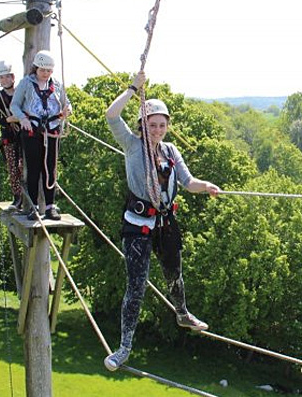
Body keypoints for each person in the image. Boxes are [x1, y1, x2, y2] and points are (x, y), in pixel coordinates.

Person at [103, 71, 220, 371]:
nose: (157, 130)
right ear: (143, 125)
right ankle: (125, 346)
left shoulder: (170, 151)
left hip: (165, 222)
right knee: (137, 286)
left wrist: (205, 186)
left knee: (174, 276)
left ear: (167, 127)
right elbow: (111, 115)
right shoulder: (132, 145)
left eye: (161, 125)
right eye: (152, 125)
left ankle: (182, 313)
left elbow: (188, 181)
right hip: (138, 224)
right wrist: (133, 89)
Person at [10, 50, 71, 220]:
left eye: (49, 71)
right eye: (43, 70)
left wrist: (67, 111)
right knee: (34, 169)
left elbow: (67, 103)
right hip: (32, 131)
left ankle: (50, 206)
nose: (45, 74)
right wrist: (22, 118)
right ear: (36, 68)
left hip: (52, 130)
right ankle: (34, 207)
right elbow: (14, 105)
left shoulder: (57, 85)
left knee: (50, 169)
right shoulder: (26, 83)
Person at [0, 60, 23, 210]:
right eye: (2, 78)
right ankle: (17, 197)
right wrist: (9, 119)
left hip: (24, 136)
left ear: (13, 77)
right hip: (9, 137)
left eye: (7, 77)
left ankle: (32, 196)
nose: (5, 80)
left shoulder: (21, 93)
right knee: (13, 168)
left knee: (26, 166)